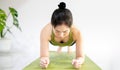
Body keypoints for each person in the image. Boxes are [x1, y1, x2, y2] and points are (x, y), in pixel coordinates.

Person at [40, 2, 85, 69]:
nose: (61, 35)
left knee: (69, 46)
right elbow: (44, 56)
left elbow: (80, 56)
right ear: (52, 26)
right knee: (60, 45)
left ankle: (68, 46)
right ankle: (60, 46)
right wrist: (44, 61)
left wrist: (78, 61)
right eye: (57, 31)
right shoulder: (45, 31)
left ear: (70, 27)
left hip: (71, 42)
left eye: (65, 31)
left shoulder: (77, 32)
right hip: (54, 41)